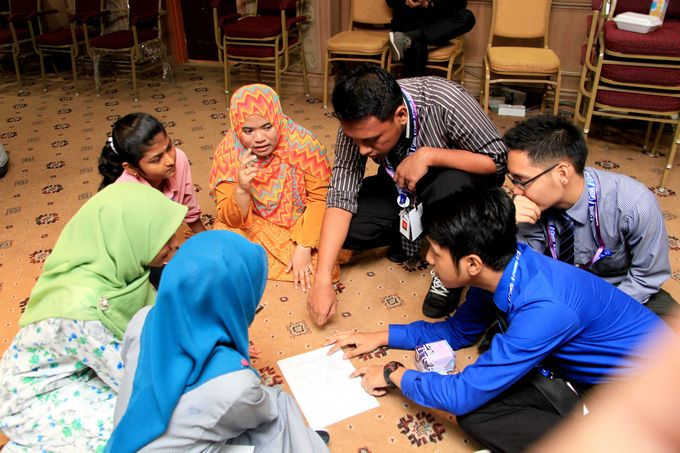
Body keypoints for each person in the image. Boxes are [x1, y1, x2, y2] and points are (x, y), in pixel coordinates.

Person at [324, 186, 665, 453]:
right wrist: (382, 335)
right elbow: (458, 331)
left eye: (437, 253)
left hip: (648, 395)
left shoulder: (545, 307)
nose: (428, 260)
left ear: (472, 263)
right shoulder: (504, 267)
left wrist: (393, 373)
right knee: (478, 411)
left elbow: (461, 394)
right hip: (587, 374)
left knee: (469, 401)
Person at [308, 64, 507, 325]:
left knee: (452, 185)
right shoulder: (357, 122)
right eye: (355, 140)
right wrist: (322, 279)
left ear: (401, 115)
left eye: (371, 140)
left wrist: (430, 156)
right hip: (400, 184)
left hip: (450, 186)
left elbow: (499, 161)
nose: (363, 150)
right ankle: (407, 233)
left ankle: (448, 265)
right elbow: (342, 192)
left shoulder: (445, 100)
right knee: (350, 227)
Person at [0, 183, 187, 452]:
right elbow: (133, 380)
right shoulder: (88, 309)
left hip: (82, 369)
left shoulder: (116, 265)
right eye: (164, 239)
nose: (176, 243)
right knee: (140, 431)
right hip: (33, 396)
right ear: (129, 237)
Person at [108, 231, 330, 453]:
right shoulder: (235, 384)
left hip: (125, 442)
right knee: (280, 408)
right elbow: (261, 409)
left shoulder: (142, 319)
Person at [504, 114, 675, 316]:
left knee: (672, 323)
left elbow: (645, 277)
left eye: (521, 180)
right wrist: (508, 223)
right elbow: (524, 268)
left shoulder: (633, 204)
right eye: (513, 180)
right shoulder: (527, 204)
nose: (516, 190)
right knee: (498, 296)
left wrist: (600, 316)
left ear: (562, 173)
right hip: (557, 287)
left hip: (618, 288)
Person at [209, 84, 333, 292]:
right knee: (222, 237)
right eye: (248, 131)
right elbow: (230, 218)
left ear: (278, 119)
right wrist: (241, 189)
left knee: (331, 251)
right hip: (255, 222)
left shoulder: (304, 144)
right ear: (237, 127)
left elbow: (321, 199)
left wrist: (304, 246)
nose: (259, 139)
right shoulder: (228, 152)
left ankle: (263, 262)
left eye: (267, 127)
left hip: (299, 222)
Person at [98, 112, 206, 235]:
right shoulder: (127, 196)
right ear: (131, 168)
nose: (170, 161)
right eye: (157, 159)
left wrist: (206, 238)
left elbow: (188, 204)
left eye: (169, 147)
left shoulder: (179, 158)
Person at [386, 0, 475, 77]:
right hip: (407, 24)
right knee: (417, 46)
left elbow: (460, 4)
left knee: (467, 16)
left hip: (438, 28)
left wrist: (428, 3)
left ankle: (410, 37)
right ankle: (412, 91)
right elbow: (391, 2)